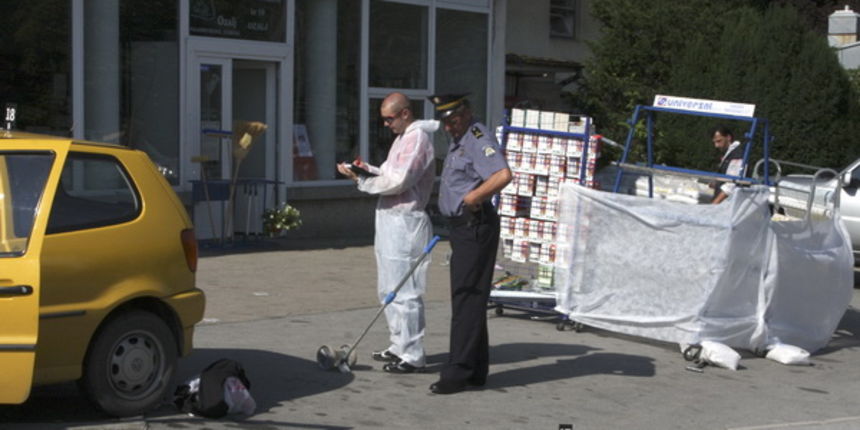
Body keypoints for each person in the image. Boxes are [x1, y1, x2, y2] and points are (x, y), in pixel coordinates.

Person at [336, 92, 438, 373]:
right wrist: (365, 169)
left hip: (407, 221)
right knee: (389, 288)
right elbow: (388, 171)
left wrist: (362, 180)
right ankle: (398, 345)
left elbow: (400, 181)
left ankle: (413, 353)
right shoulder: (402, 138)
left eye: (389, 118)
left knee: (406, 290)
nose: (385, 124)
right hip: (391, 220)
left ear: (405, 113)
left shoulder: (418, 139)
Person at [427, 93, 512, 394]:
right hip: (463, 228)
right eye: (445, 121)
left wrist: (473, 198)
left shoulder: (477, 136)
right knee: (471, 298)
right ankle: (476, 369)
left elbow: (502, 174)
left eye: (454, 119)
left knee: (465, 298)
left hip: (474, 225)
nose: (449, 126)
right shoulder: (460, 137)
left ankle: (457, 372)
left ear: (468, 112)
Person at [711, 126, 745, 204]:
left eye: (719, 141)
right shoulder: (728, 153)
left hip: (729, 204)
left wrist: (714, 204)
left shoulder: (737, 155)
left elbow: (731, 184)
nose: (716, 145)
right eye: (714, 142)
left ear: (728, 137)